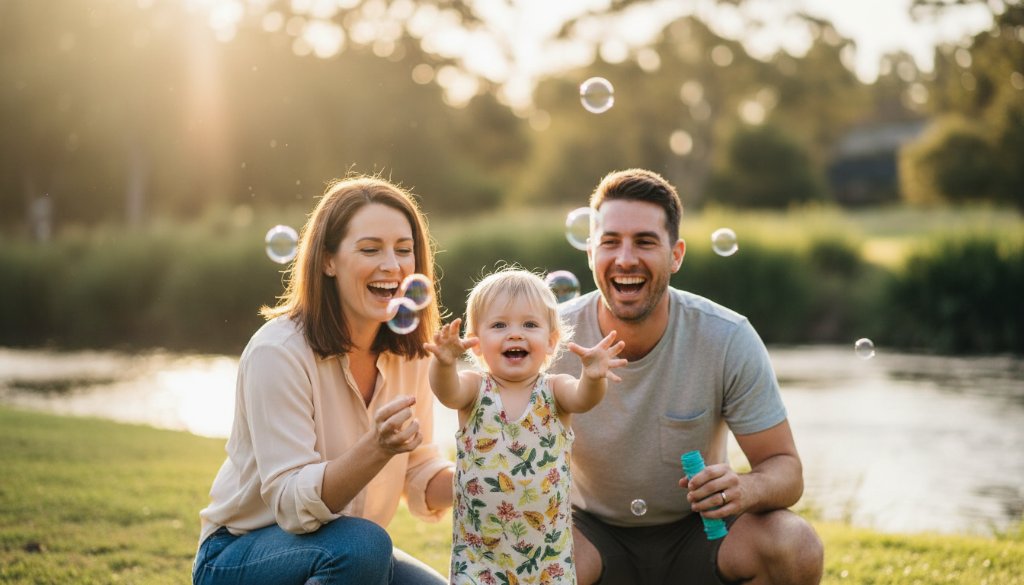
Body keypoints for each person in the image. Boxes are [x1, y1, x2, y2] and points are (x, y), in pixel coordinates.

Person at [548, 168, 824, 585]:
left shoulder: (727, 336)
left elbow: (785, 468)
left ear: (675, 255)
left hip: (702, 534)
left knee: (794, 543)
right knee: (533, 558)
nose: (625, 259)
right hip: (590, 536)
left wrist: (745, 489)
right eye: (610, 242)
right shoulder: (551, 339)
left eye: (644, 241)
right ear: (590, 253)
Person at [193, 175, 455, 585]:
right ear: (329, 260)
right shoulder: (277, 352)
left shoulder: (413, 354)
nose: (392, 264)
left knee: (375, 552)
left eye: (404, 250)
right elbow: (292, 506)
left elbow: (418, 469)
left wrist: (483, 478)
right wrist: (376, 447)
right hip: (239, 555)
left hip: (346, 552)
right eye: (370, 249)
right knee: (365, 545)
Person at [423, 268, 626, 585]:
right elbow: (447, 392)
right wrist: (444, 363)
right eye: (499, 325)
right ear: (476, 344)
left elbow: (584, 398)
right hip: (481, 558)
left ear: (551, 342)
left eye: (529, 325)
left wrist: (593, 377)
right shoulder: (474, 389)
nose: (515, 334)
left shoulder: (556, 389)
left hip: (547, 558)